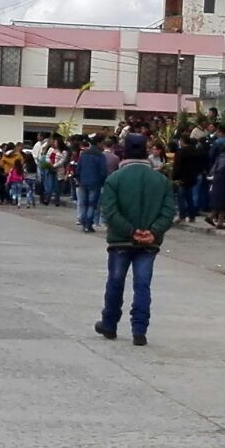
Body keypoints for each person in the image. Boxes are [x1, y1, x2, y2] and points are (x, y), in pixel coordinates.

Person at [95, 134, 176, 347]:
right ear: (146, 152)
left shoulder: (115, 179)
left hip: (120, 241)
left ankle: (109, 324)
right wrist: (152, 232)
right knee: (142, 285)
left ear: (125, 151)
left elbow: (109, 211)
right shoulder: (161, 181)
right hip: (149, 243)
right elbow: (169, 212)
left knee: (115, 282)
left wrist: (130, 231)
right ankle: (139, 330)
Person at [77, 139, 108, 233]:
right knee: (91, 204)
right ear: (99, 143)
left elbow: (78, 168)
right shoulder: (100, 156)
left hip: (83, 181)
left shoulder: (84, 154)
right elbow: (103, 171)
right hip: (95, 183)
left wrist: (79, 179)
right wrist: (102, 182)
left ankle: (83, 221)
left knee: (83, 203)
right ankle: (88, 224)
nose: (103, 146)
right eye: (102, 143)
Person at [206, 147, 225, 230]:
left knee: (217, 201)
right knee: (224, 202)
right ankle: (220, 222)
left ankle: (210, 216)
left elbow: (212, 170)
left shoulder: (219, 158)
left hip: (216, 181)